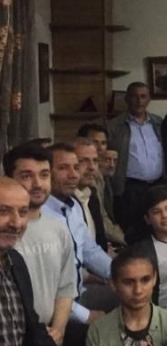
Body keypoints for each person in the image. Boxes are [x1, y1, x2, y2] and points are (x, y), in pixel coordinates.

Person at [5, 145, 76, 346]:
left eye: (44, 175)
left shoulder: (59, 229)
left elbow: (66, 287)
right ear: (9, 179)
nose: (37, 184)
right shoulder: (7, 233)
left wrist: (58, 331)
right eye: (27, 176)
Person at [42, 143, 113, 328]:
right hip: (55, 308)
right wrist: (86, 316)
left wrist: (120, 274)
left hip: (80, 293)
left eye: (75, 167)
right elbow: (45, 290)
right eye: (63, 168)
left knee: (135, 295)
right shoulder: (39, 216)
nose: (74, 175)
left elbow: (90, 251)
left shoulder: (74, 206)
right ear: (46, 173)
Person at [85, 246, 167, 346]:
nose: (138, 290)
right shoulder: (99, 331)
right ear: (114, 284)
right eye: (128, 282)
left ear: (154, 278)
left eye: (145, 280)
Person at [0, 177, 57, 346]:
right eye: (4, 211)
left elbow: (33, 330)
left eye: (23, 212)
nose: (16, 223)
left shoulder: (15, 262)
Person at [107, 82, 165, 231]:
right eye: (134, 96)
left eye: (143, 96)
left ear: (149, 99)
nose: (139, 101)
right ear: (127, 99)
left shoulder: (158, 123)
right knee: (132, 230)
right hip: (130, 189)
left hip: (157, 185)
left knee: (158, 227)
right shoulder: (114, 126)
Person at [72, 138, 108, 249]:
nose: (92, 167)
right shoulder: (63, 201)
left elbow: (100, 243)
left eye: (95, 161)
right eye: (83, 161)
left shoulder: (92, 196)